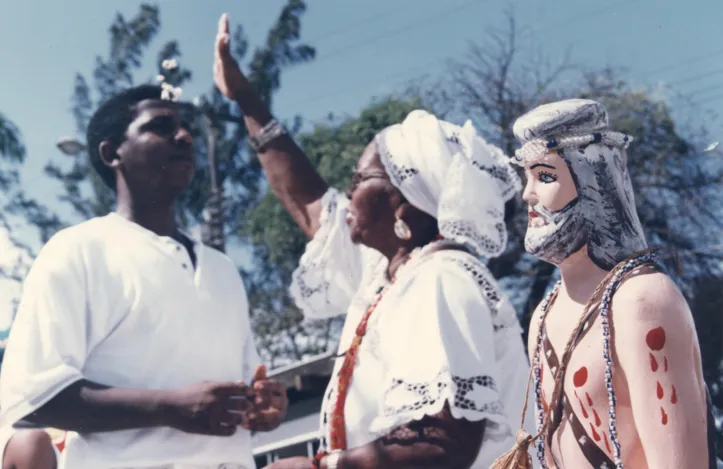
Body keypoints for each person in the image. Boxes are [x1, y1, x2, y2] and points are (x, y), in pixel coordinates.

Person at [213, 13, 537, 469]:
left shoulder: (441, 280)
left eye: (359, 178)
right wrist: (247, 100)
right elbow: (309, 204)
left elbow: (445, 440)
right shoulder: (393, 278)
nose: (346, 192)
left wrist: (318, 467)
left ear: (401, 206)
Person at [0, 84, 288, 469]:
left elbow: (246, 389)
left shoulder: (223, 269)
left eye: (184, 128)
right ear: (112, 152)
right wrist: (169, 407)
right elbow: (36, 397)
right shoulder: (77, 250)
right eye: (161, 127)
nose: (184, 136)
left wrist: (264, 406)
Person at [495, 98, 713, 469]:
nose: (527, 195)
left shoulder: (642, 299)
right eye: (527, 177)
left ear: (594, 182)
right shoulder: (544, 315)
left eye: (545, 176)